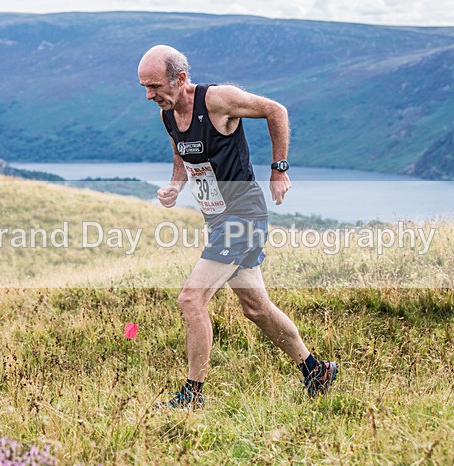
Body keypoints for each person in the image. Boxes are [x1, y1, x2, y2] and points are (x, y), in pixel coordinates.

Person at [137, 45, 337, 410]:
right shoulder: (169, 113)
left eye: (154, 86)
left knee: (190, 299)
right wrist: (174, 186)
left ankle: (192, 396)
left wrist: (279, 169)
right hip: (218, 221)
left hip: (243, 216)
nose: (149, 95)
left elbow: (275, 110)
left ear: (180, 79)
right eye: (144, 88)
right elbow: (183, 155)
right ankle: (316, 370)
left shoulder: (218, 100)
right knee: (256, 307)